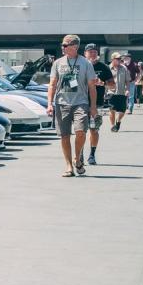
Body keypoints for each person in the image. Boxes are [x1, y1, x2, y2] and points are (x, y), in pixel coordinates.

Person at [46, 34, 97, 177]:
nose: (62, 48)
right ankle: (69, 165)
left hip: (80, 102)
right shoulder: (58, 63)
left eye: (65, 45)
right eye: (62, 45)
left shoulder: (85, 63)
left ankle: (77, 157)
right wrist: (49, 104)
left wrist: (93, 107)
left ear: (74, 47)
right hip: (62, 103)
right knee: (65, 136)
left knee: (81, 132)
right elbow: (52, 84)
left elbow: (92, 87)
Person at [82, 44, 114, 165]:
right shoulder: (80, 66)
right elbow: (71, 83)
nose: (92, 54)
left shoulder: (104, 67)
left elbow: (113, 85)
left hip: (97, 104)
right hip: (81, 103)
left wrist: (103, 83)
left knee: (94, 130)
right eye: (90, 52)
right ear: (85, 54)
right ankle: (79, 155)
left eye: (95, 52)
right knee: (80, 131)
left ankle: (92, 154)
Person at [108, 52, 130, 132]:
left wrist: (127, 90)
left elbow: (127, 81)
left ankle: (118, 121)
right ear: (112, 59)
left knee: (122, 111)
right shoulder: (107, 68)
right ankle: (113, 126)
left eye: (120, 59)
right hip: (111, 92)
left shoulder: (124, 68)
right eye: (117, 59)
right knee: (112, 109)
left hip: (122, 92)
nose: (119, 60)